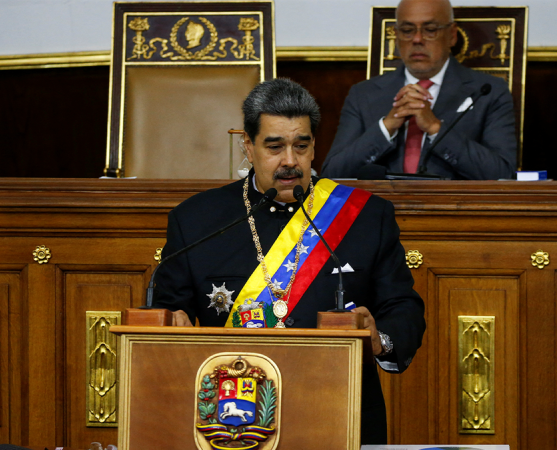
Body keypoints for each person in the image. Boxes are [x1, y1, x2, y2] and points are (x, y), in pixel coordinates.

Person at [153, 78, 426, 444]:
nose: (290, 162)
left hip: (339, 411)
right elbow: (165, 314)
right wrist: (171, 330)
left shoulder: (364, 216)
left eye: (301, 146)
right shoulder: (196, 220)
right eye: (274, 146)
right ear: (248, 146)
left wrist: (382, 339)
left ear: (314, 147)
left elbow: (404, 308)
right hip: (232, 420)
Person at [321, 0, 517, 180]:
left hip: (454, 205)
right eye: (407, 30)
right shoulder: (363, 94)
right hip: (381, 204)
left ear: (452, 35)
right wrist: (387, 126)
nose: (417, 39)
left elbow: (503, 174)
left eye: (430, 30)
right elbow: (333, 174)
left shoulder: (489, 92)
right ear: (396, 35)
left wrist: (435, 128)